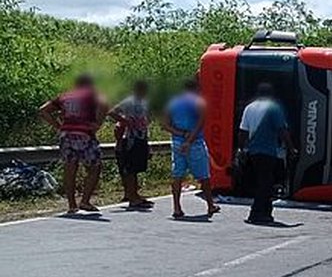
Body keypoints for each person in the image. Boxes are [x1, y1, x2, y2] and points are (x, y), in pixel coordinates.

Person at [39, 73, 108, 214]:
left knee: (70, 169)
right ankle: (85, 201)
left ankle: (72, 205)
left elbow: (43, 110)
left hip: (66, 136)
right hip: (85, 136)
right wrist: (98, 123)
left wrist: (58, 126)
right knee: (95, 167)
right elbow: (105, 103)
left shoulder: (65, 96)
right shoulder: (92, 94)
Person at [238, 83, 295, 225]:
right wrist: (291, 148)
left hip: (253, 152)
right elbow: (282, 130)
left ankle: (266, 212)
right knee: (266, 183)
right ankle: (256, 213)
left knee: (263, 182)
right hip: (268, 151)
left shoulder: (249, 108)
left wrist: (242, 149)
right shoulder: (274, 108)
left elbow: (243, 132)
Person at [162, 78, 219, 219]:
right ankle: (210, 205)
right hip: (195, 142)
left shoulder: (172, 103)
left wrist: (180, 134)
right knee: (203, 175)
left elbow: (165, 125)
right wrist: (189, 140)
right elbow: (200, 123)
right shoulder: (199, 102)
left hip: (177, 142)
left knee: (177, 175)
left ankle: (176, 207)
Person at [108, 80, 153, 210]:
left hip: (141, 137)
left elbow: (147, 120)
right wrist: (124, 121)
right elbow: (111, 111)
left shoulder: (145, 102)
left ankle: (135, 194)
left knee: (137, 167)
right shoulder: (129, 101)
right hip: (130, 138)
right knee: (130, 168)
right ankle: (132, 197)